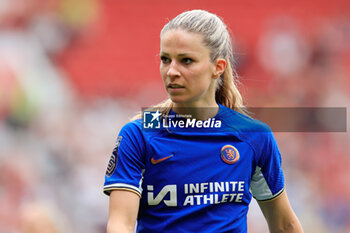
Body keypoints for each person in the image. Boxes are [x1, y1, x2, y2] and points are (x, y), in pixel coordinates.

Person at [103, 9, 303, 233]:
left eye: (186, 61)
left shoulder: (254, 137)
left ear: (218, 67)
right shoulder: (138, 134)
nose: (171, 71)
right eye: (165, 59)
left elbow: (285, 225)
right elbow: (120, 224)